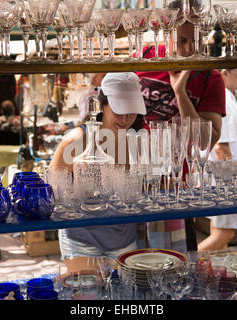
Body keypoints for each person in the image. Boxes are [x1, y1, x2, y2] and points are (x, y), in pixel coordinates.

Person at [135, 0, 226, 253]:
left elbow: (206, 142)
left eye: (197, 39)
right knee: (132, 264)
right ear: (167, 30)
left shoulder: (210, 77)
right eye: (183, 40)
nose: (191, 48)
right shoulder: (142, 61)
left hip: (176, 189)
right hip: (135, 183)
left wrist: (180, 93)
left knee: (175, 268)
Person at [50, 72, 146, 260]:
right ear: (102, 105)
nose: (125, 119)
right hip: (81, 240)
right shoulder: (77, 140)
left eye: (131, 112)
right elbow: (52, 189)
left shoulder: (136, 140)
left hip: (124, 238)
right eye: (119, 111)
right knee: (86, 290)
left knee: (123, 289)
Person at [200, 68, 237, 252]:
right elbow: (221, 146)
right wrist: (232, 183)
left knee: (220, 239)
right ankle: (183, 266)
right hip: (226, 181)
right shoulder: (225, 101)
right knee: (223, 235)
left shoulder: (226, 98)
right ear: (224, 73)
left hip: (222, 180)